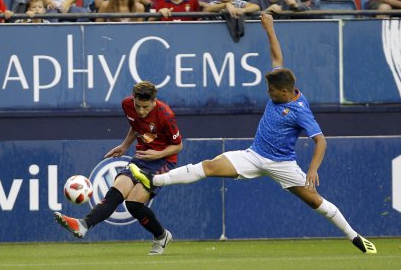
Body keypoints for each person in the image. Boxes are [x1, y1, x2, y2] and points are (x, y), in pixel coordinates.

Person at [129, 13, 378, 254]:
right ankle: (154, 180)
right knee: (209, 166)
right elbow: (276, 57)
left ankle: (354, 236)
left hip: (282, 164)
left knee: (315, 202)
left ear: (284, 91)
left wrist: (313, 169)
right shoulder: (282, 84)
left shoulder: (300, 110)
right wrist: (269, 28)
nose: (268, 93)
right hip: (254, 155)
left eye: (271, 91)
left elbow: (320, 141)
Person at [54, 81, 183, 255]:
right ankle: (83, 224)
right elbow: (136, 126)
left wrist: (157, 155)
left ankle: (161, 236)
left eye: (145, 107)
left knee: (133, 205)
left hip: (162, 161)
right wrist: (124, 146)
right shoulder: (127, 105)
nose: (141, 111)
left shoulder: (165, 115)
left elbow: (178, 146)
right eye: (138, 106)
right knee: (115, 192)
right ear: (133, 99)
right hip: (141, 156)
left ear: (154, 101)